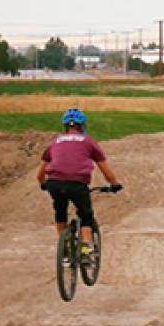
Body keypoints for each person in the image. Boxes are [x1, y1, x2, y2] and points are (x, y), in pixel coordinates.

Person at [37, 109, 122, 263]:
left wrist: (43, 184)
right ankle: (85, 250)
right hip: (77, 184)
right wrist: (114, 184)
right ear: (82, 126)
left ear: (65, 127)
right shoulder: (88, 141)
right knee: (86, 215)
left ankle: (64, 251)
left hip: (54, 183)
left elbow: (40, 173)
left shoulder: (55, 142)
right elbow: (105, 170)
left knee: (60, 212)